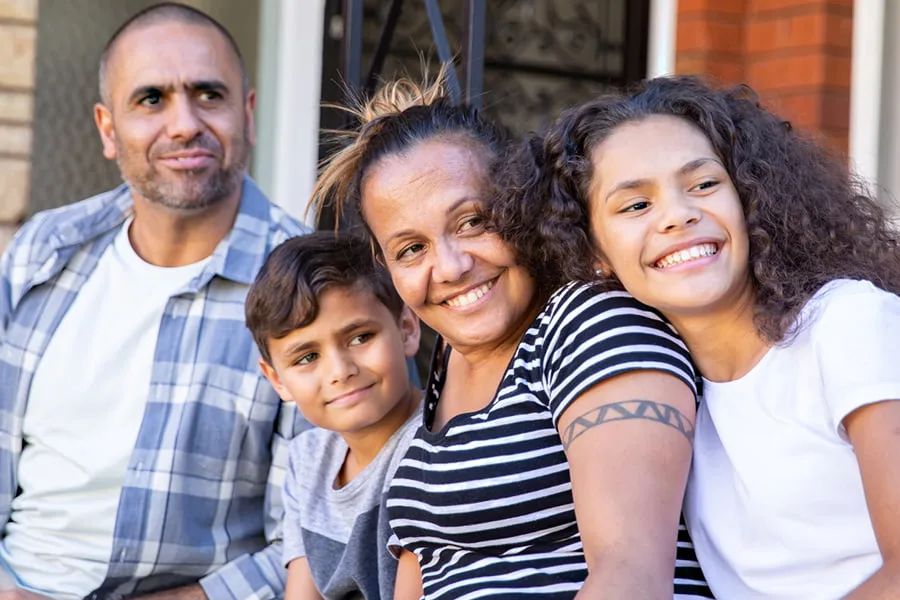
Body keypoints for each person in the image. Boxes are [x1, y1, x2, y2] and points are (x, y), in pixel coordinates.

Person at [309, 71, 712, 599]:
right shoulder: (445, 367)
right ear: (385, 266)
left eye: (472, 221)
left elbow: (631, 576)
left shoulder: (591, 321)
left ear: (521, 204)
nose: (449, 267)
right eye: (412, 249)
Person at [496, 75, 900, 599]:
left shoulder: (848, 322)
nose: (678, 215)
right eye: (635, 205)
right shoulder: (666, 397)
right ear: (594, 254)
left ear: (749, 198)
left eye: (704, 184)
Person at [0, 3, 310, 598]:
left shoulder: (305, 289)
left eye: (208, 95)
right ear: (107, 129)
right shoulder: (43, 249)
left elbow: (308, 542)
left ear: (247, 112)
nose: (185, 123)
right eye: (151, 100)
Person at [245, 231, 423, 599]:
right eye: (307, 358)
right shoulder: (307, 459)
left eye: (360, 337)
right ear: (277, 379)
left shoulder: (436, 445)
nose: (340, 371)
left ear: (406, 327)